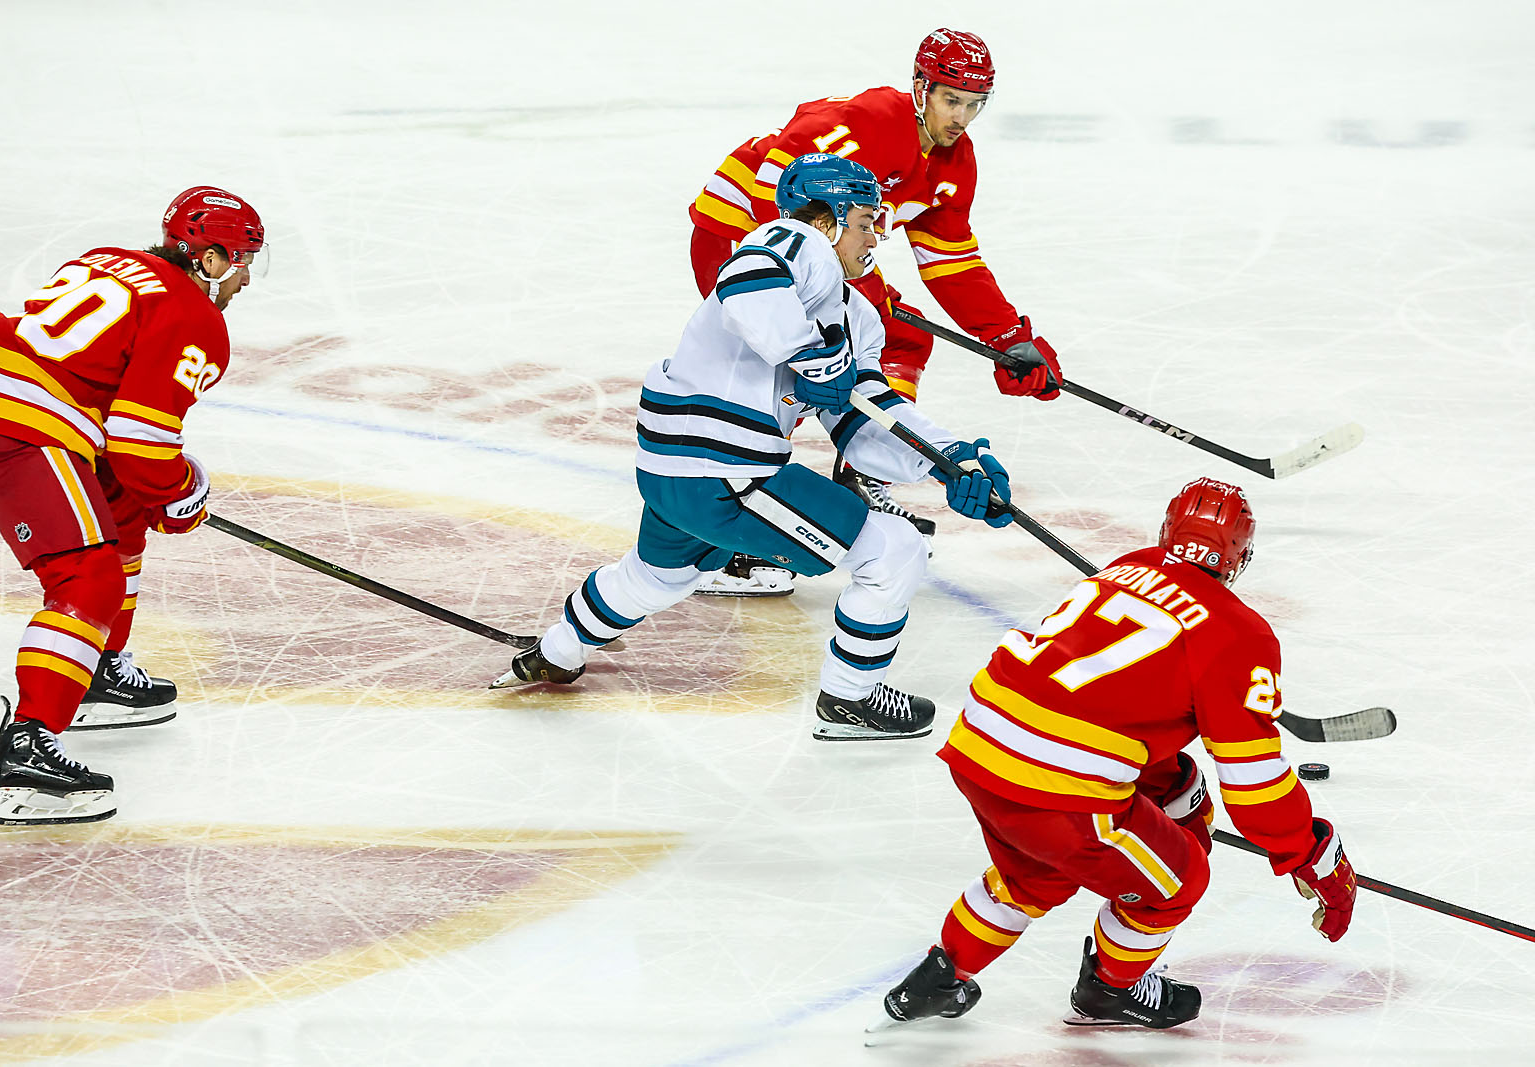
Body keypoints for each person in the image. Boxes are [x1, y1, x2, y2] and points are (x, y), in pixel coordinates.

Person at [492, 154, 1014, 741]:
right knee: (892, 550)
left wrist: (947, 462)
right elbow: (745, 279)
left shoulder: (857, 316)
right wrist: (812, 357)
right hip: (727, 469)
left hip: (674, 470)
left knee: (659, 576)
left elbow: (863, 417)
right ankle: (850, 700)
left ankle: (558, 651)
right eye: (867, 219)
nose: (878, 235)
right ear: (829, 219)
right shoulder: (796, 244)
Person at [873, 479, 1358, 1029]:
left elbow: (1118, 695)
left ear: (1165, 535)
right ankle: (1109, 992)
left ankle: (942, 975)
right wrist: (1314, 855)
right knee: (1178, 883)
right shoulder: (1240, 634)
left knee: (1039, 873)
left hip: (980, 744)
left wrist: (1176, 794)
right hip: (1059, 785)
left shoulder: (1129, 565)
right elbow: (1254, 787)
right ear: (1239, 558)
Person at [689, 27, 1062, 596]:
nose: (961, 117)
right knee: (785, 372)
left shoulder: (954, 162)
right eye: (950, 99)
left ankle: (862, 468)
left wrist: (1007, 336)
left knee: (900, 342)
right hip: (741, 242)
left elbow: (950, 261)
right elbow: (780, 207)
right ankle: (730, 540)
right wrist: (857, 290)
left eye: (974, 104)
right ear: (920, 87)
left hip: (824, 256)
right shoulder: (863, 124)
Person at [0, 186, 265, 824]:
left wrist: (156, 498)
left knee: (122, 518)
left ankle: (96, 670)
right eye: (242, 259)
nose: (246, 276)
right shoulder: (198, 320)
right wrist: (182, 491)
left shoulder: (109, 257)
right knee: (89, 576)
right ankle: (30, 747)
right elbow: (142, 447)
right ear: (210, 258)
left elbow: (114, 425)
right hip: (19, 423)